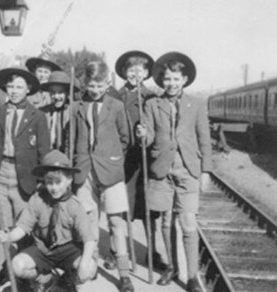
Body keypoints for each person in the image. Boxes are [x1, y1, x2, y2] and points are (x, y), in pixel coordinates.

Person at [136, 52, 211, 292]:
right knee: (167, 222)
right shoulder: (151, 104)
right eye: (167, 79)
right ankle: (172, 267)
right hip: (161, 170)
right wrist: (142, 135)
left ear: (185, 79)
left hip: (188, 170)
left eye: (176, 79)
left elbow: (204, 140)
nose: (171, 83)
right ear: (161, 80)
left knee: (188, 223)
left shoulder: (196, 104)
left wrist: (206, 171)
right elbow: (147, 139)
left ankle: (192, 276)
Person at [0, 150, 97, 292]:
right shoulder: (37, 200)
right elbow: (22, 228)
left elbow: (89, 240)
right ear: (44, 181)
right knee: (17, 265)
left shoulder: (75, 206)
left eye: (58, 182)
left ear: (69, 179)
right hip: (43, 249)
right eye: (49, 182)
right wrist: (8, 236)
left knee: (89, 269)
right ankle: (45, 279)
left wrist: (84, 264)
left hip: (68, 250)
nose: (54, 188)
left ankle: (65, 282)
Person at [73, 60, 134, 292]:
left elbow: (125, 138)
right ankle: (92, 264)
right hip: (85, 171)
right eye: (91, 85)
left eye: (100, 85)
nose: (95, 90)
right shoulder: (77, 106)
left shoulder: (116, 106)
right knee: (89, 221)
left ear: (107, 83)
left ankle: (124, 273)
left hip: (111, 171)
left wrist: (113, 159)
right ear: (85, 84)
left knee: (116, 222)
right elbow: (74, 138)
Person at [105, 51, 167, 271]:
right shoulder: (114, 96)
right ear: (123, 72)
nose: (135, 74)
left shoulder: (152, 97)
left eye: (140, 70)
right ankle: (116, 251)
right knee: (118, 208)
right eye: (131, 70)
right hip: (121, 160)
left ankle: (152, 252)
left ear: (147, 73)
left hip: (144, 162)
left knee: (148, 209)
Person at [0, 66, 51, 274]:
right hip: (0, 172)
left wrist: (43, 181)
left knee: (23, 227)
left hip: (24, 176)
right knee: (0, 227)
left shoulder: (38, 116)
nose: (14, 91)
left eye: (19, 87)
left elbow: (44, 151)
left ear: (28, 89)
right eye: (10, 86)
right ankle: (1, 274)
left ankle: (23, 272)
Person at [39, 71, 80, 154]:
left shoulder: (75, 111)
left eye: (60, 92)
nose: (56, 97)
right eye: (53, 93)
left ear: (67, 93)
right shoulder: (42, 112)